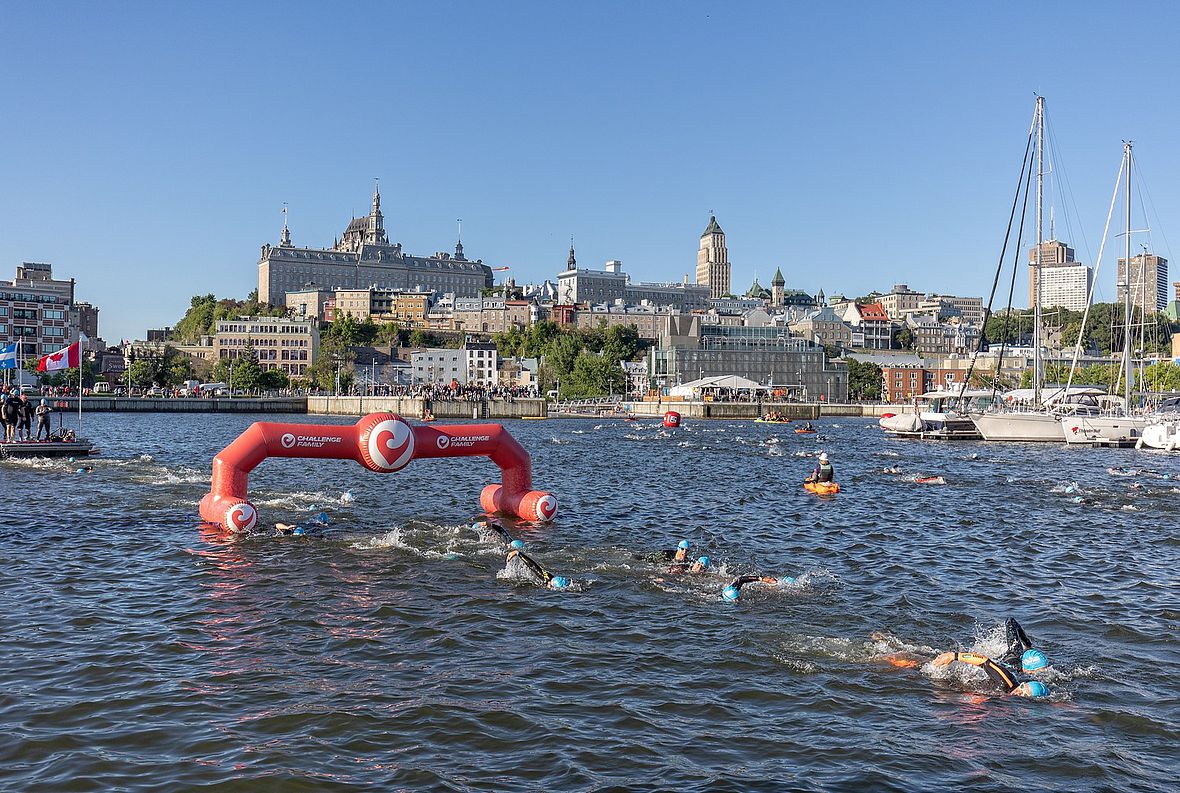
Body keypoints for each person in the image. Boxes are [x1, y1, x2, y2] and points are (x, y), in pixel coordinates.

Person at [930, 618, 1051, 698]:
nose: (1019, 692)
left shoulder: (1015, 683)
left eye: (1022, 694)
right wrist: (953, 656)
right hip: (988, 666)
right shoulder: (1008, 682)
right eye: (1022, 690)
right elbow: (983, 660)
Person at [505, 547, 570, 590]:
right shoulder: (546, 578)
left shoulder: (548, 582)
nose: (549, 585)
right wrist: (518, 553)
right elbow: (533, 566)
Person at [721, 574, 793, 601]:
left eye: (738, 598)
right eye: (737, 599)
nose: (739, 599)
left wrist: (761, 579)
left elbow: (741, 579)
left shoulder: (732, 590)